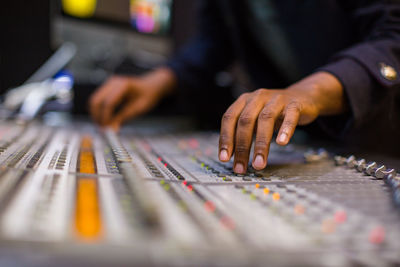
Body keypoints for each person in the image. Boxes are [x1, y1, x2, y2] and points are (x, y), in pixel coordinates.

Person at [89, 0, 400, 174]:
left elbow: (393, 34)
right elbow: (212, 42)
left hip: (383, 136)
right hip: (313, 144)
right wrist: (157, 82)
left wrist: (309, 92)